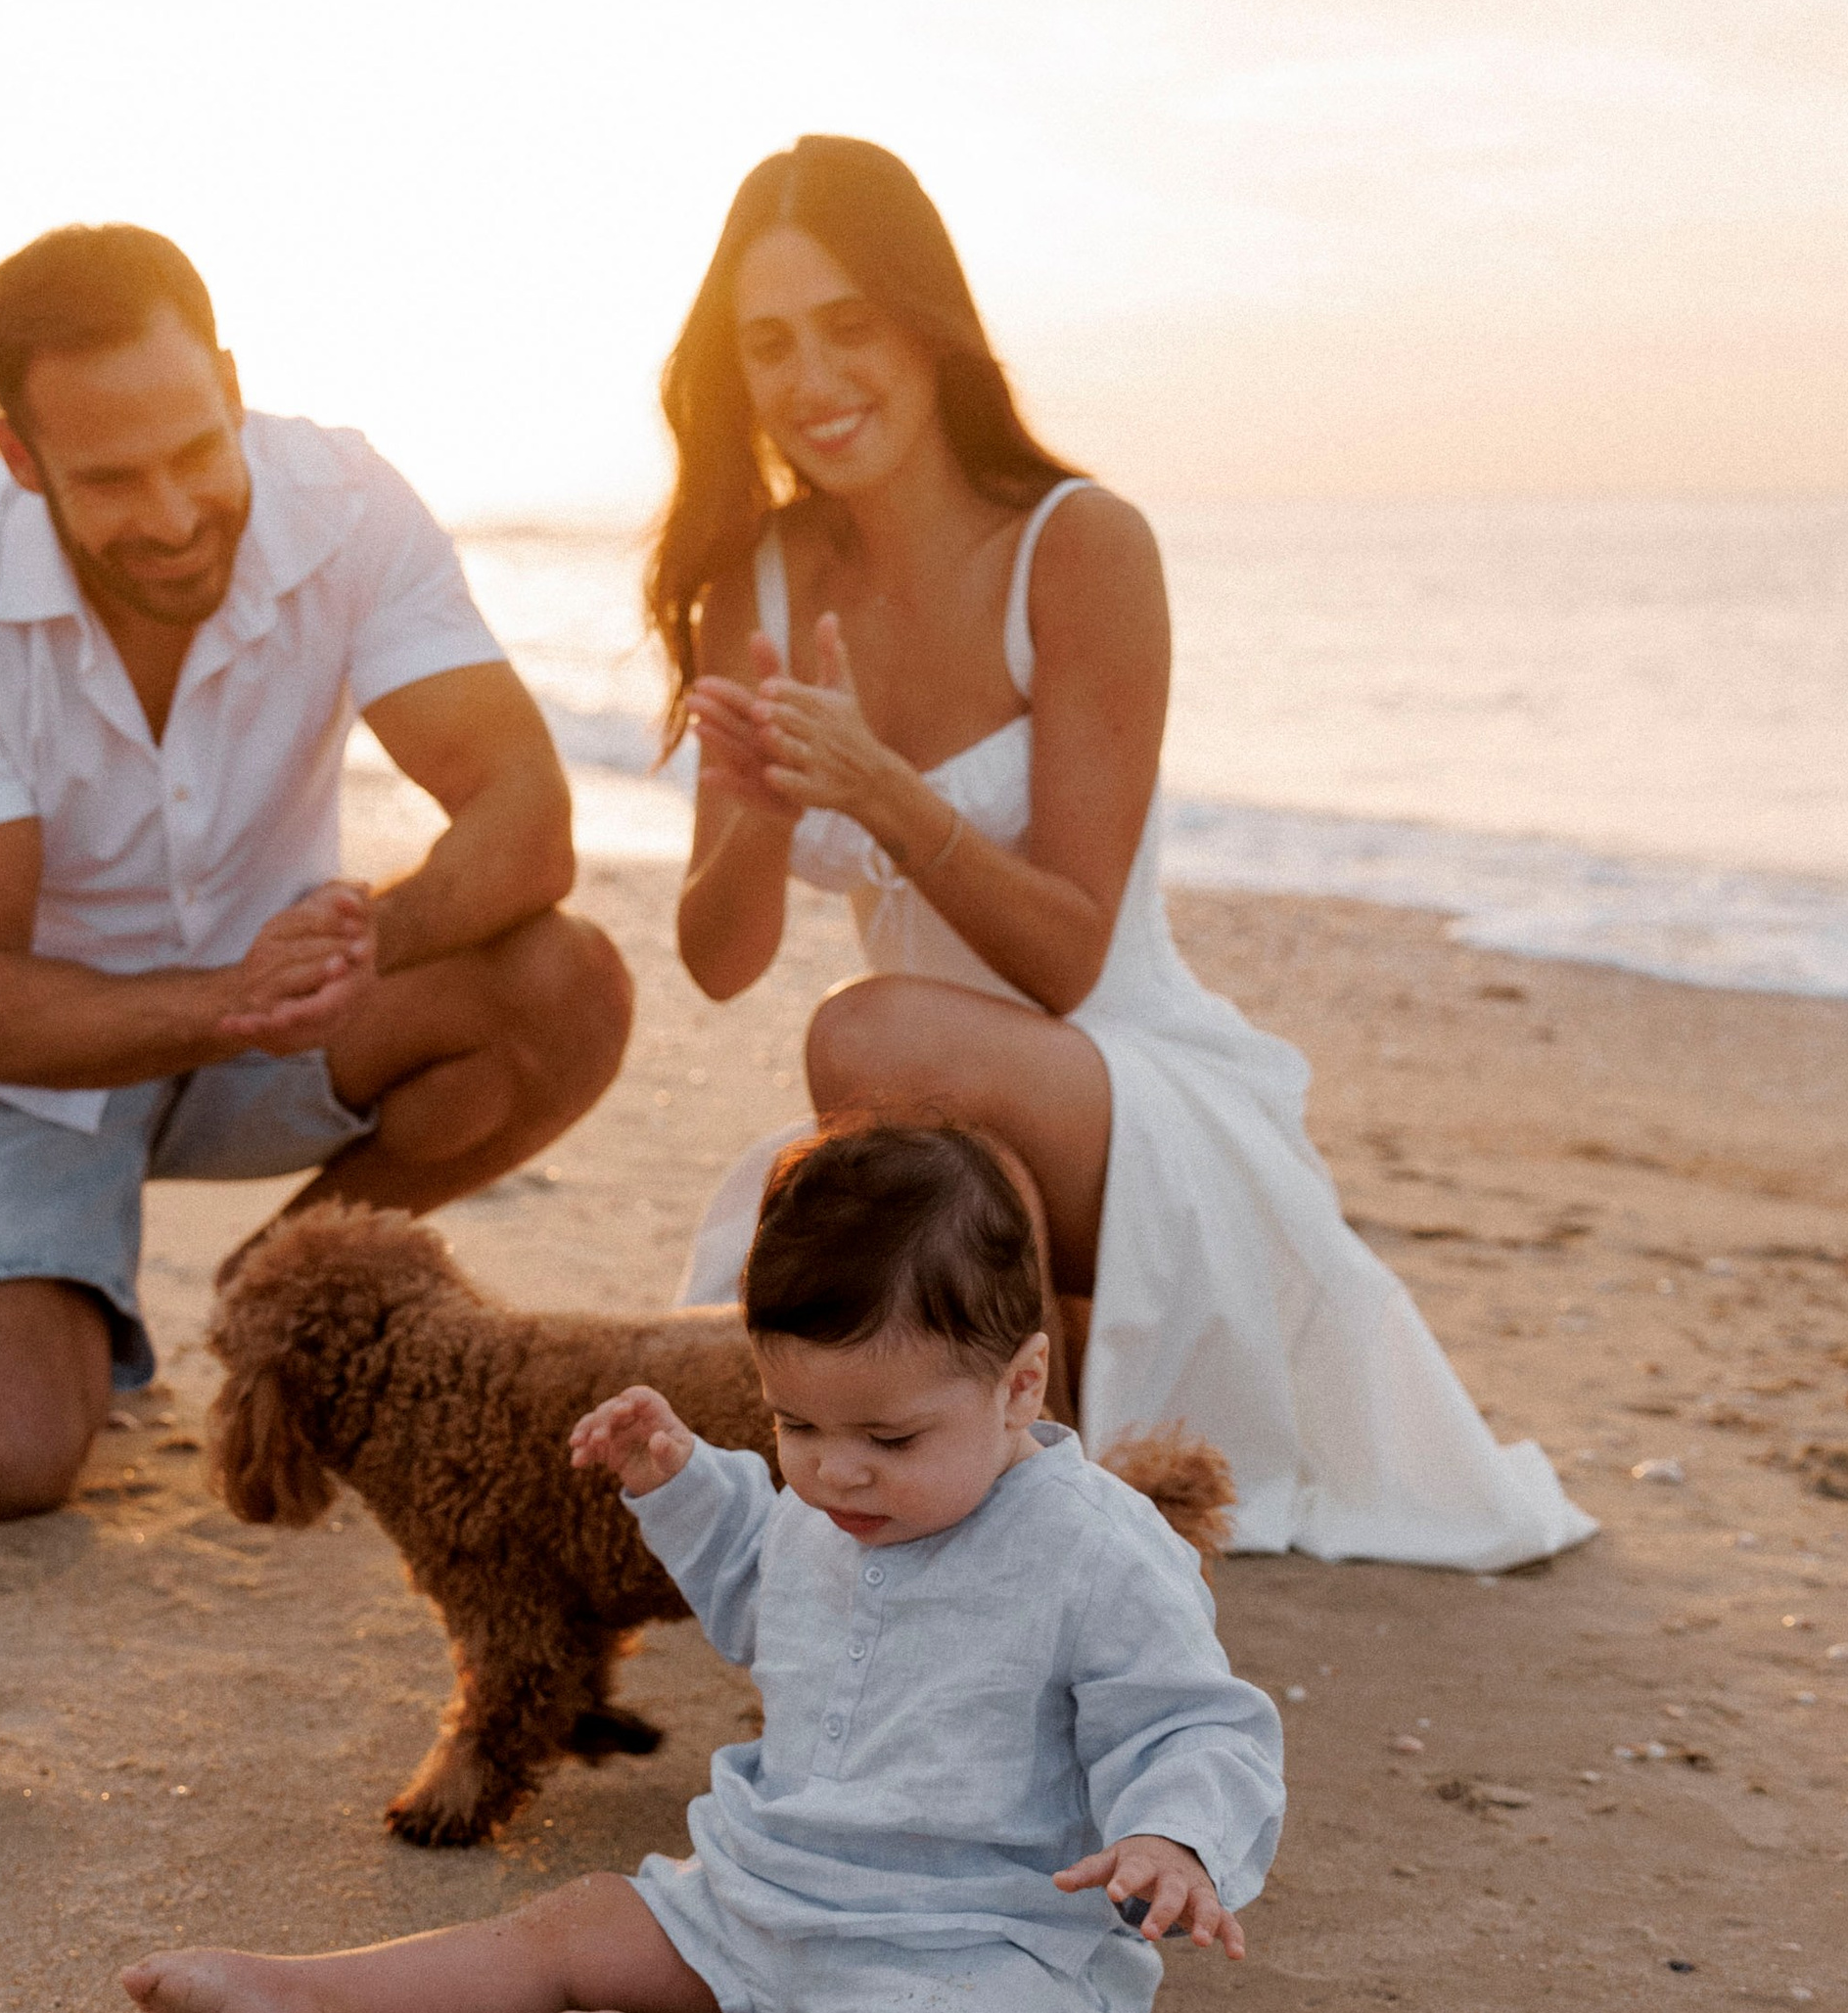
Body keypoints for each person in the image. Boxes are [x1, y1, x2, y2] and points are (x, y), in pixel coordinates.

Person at [654, 135, 1593, 1574]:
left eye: (850, 325)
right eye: (768, 343)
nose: (813, 377)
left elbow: (1069, 955)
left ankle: (1045, 1438)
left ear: (927, 325)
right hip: (939, 1123)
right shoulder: (758, 582)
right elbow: (719, 962)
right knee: (929, 1140)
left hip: (1131, 1090)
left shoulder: (1079, 545)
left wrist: (882, 790)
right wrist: (769, 807)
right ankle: (1030, 1484)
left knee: (865, 1034)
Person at [122, 1121, 1283, 2013]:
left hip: (977, 1942)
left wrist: (1171, 1835)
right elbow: (764, 1602)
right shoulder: (834, 1508)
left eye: (888, 1436)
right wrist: (680, 1484)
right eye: (794, 1423)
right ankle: (316, 1996)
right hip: (763, 1894)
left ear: (1020, 1386)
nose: (833, 1471)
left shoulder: (1093, 1549)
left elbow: (1193, 1719)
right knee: (568, 1929)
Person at [0, 221, 631, 1524]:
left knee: (565, 988)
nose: (169, 516)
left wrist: (365, 942)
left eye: (196, 452)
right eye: (109, 479)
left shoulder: (347, 505)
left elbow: (524, 818)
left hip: (278, 1024)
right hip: (15, 1073)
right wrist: (224, 1000)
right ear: (17, 456)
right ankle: (30, 1270)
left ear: (230, 384)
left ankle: (271, 1298)